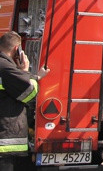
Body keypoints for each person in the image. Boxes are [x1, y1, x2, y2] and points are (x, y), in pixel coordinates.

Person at [0, 31, 49, 171]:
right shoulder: (6, 67)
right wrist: (26, 70)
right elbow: (29, 93)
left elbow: (14, 83)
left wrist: (36, 76)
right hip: (5, 139)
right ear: (17, 49)